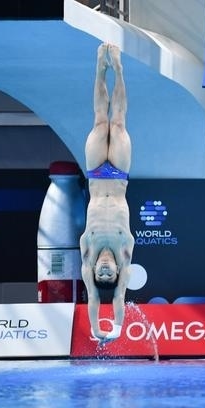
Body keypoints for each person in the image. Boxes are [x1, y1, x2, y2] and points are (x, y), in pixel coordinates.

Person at [79, 43, 135, 345]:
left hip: (96, 175)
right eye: (107, 275)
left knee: (100, 120)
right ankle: (120, 71)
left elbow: (92, 298)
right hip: (119, 176)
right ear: (116, 271)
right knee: (119, 121)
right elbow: (119, 298)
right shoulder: (125, 250)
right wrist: (116, 328)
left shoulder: (87, 251)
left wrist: (96, 329)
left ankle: (100, 68)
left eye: (98, 275)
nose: (102, 272)